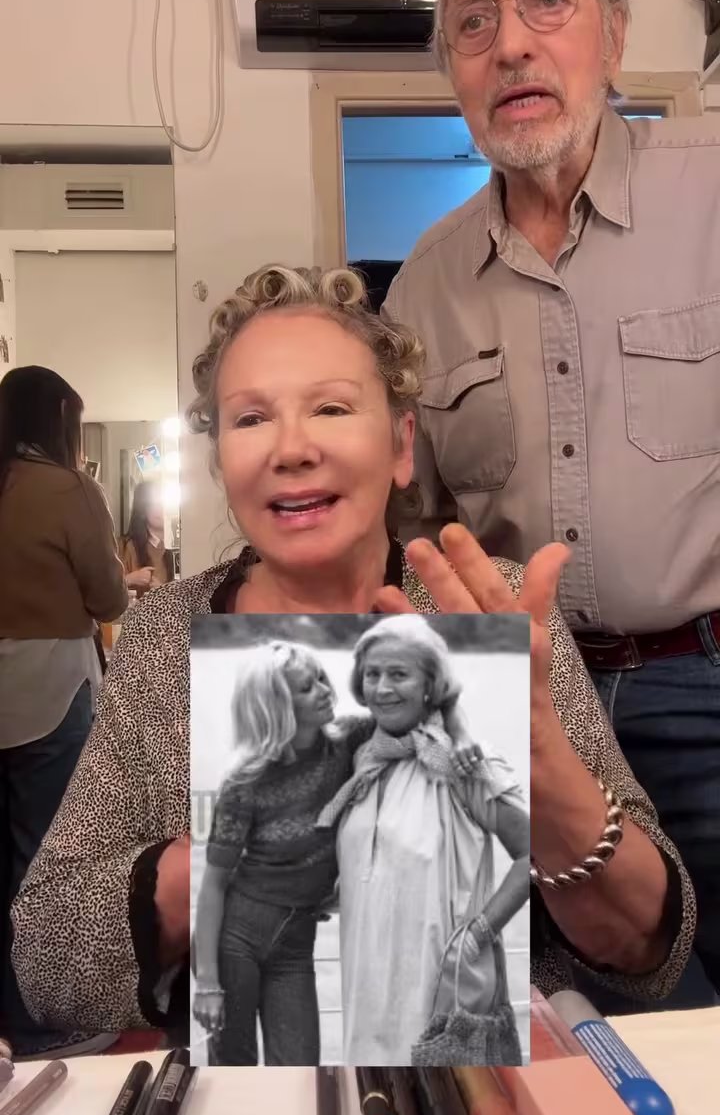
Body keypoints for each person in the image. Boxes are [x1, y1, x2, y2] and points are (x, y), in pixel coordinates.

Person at [10, 268, 693, 1043]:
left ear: (402, 445)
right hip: (262, 1066)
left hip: (476, 1068)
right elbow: (46, 962)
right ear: (221, 463)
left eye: (332, 408)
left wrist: (539, 764)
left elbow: (648, 952)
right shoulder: (167, 634)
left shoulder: (488, 609)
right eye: (251, 418)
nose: (292, 448)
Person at [382, 0, 720, 1003]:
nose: (512, 44)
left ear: (613, 33)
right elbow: (417, 529)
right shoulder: (423, 283)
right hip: (531, 712)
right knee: (598, 1028)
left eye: (546, 2)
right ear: (455, 74)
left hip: (708, 676)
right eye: (474, 23)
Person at [192, 637, 475, 1065]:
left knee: (301, 1067)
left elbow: (429, 705)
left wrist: (461, 741)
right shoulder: (244, 782)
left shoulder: (348, 740)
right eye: (307, 688)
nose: (326, 690)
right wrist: (207, 984)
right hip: (236, 940)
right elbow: (213, 886)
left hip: (295, 943)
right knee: (234, 1068)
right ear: (277, 706)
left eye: (322, 678)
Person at [316, 614, 528, 1065]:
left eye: (399, 674)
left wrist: (479, 934)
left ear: (431, 685)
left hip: (441, 978)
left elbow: (535, 854)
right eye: (372, 674)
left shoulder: (466, 763)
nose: (382, 688)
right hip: (364, 978)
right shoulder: (361, 760)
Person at [0, 365, 128, 1055]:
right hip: (49, 687)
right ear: (57, 417)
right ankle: (43, 1023)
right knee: (48, 860)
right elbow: (108, 598)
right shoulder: (68, 489)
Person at [119, 480, 173, 597]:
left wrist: (163, 590)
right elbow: (106, 590)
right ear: (143, 510)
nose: (161, 509)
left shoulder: (173, 549)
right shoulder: (126, 546)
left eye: (163, 503)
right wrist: (129, 579)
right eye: (154, 504)